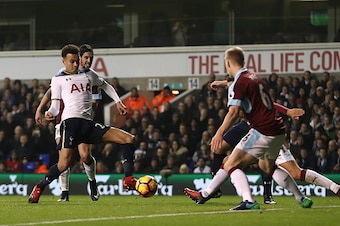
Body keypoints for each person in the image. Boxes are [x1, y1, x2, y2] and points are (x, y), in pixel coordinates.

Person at [185, 46, 312, 211]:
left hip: (261, 130)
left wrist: (219, 132)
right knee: (266, 167)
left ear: (228, 62)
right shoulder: (254, 78)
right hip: (277, 131)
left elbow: (234, 112)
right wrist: (223, 83)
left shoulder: (239, 83)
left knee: (230, 164)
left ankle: (247, 200)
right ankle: (300, 197)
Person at [28, 44, 136, 204]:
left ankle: (128, 179)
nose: (75, 64)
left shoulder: (88, 75)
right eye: (72, 61)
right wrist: (49, 112)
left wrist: (118, 102)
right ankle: (40, 187)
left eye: (77, 61)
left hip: (88, 124)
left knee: (128, 139)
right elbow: (55, 106)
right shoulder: (58, 80)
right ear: (63, 61)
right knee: (64, 163)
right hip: (70, 124)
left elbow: (106, 85)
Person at [34, 44, 102, 202]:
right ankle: (64, 193)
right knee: (64, 159)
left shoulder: (90, 77)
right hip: (62, 121)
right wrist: (39, 109)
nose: (87, 61)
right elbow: (50, 92)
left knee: (85, 155)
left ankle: (92, 182)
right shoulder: (62, 75)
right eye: (85, 58)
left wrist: (88, 108)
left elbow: (95, 101)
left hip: (83, 121)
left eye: (89, 58)